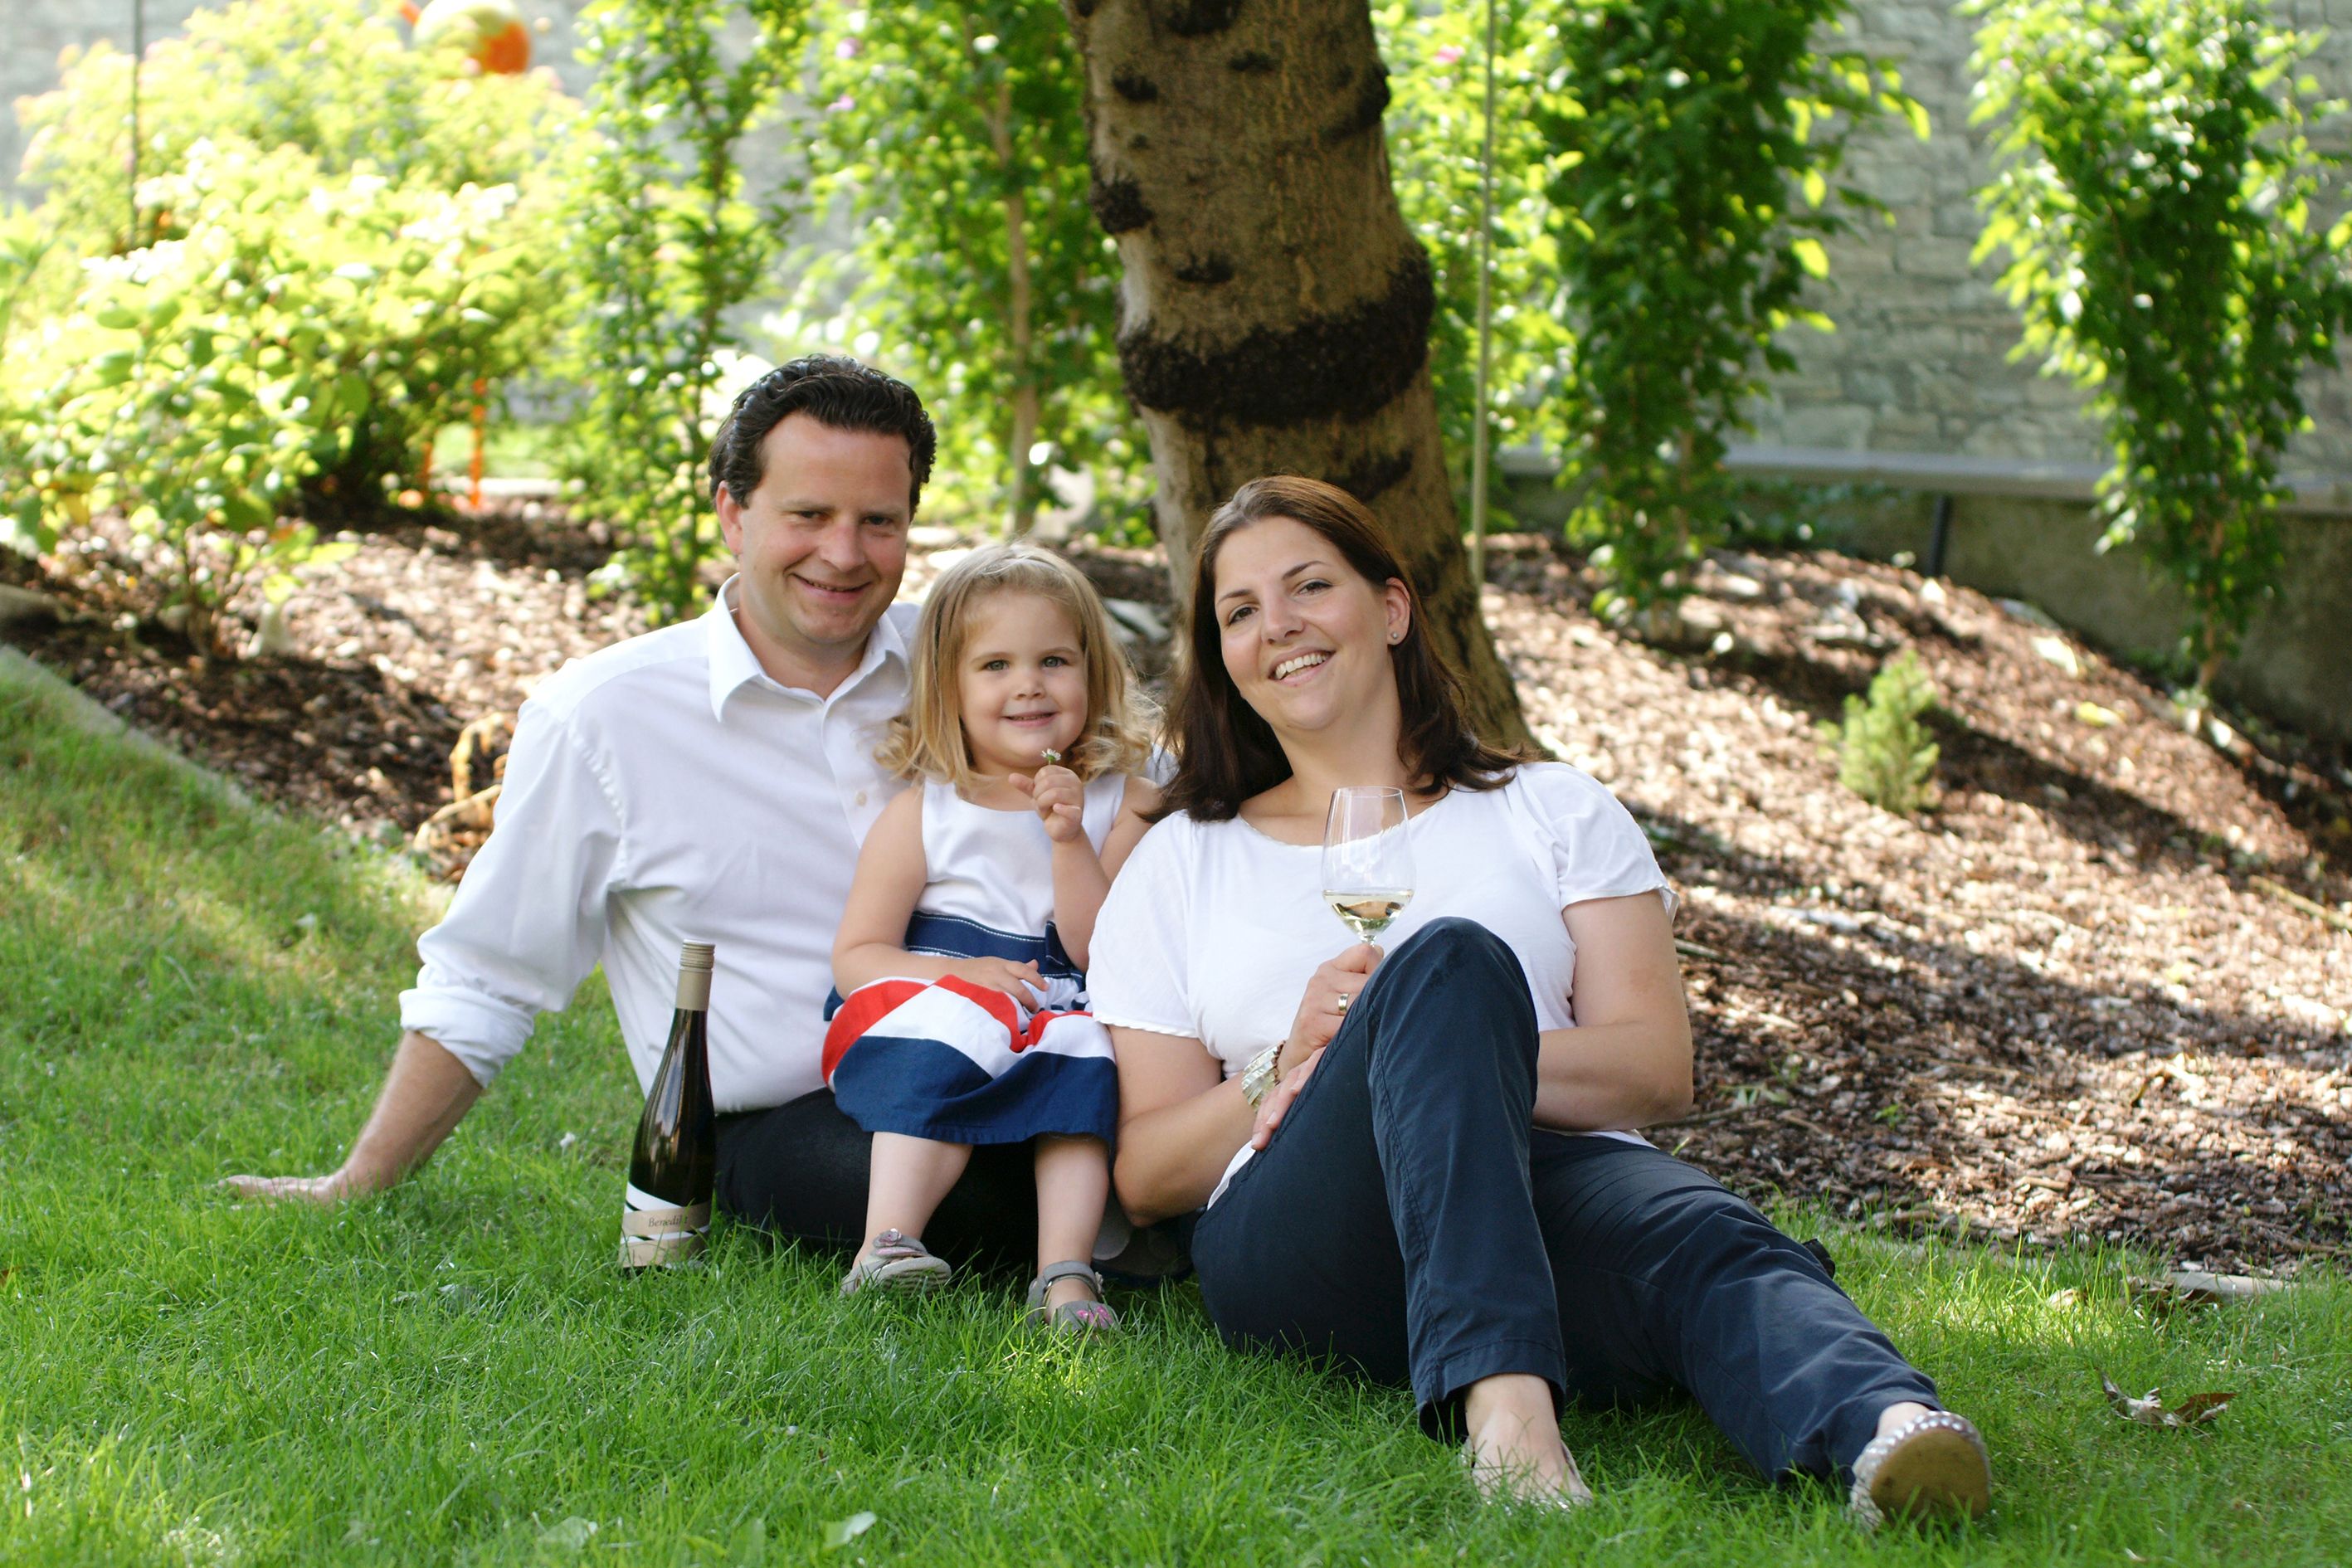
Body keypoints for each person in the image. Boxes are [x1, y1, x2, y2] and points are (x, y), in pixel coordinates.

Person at [1084, 475, 1993, 1524]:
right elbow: (1147, 1176)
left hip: (1548, 1182)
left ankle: (1885, 1430)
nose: (1276, 625)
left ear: (1391, 608)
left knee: (1704, 1237)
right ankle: (1511, 1416)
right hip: (1309, 1237)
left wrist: (1437, 1053)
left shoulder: (1552, 810)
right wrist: (1299, 1065)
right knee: (1447, 962)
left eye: (1306, 587)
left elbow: (1655, 1068)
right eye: (1238, 613)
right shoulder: (1180, 864)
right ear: (1226, 660)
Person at [223, 356, 1123, 1272]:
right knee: (1003, 1178)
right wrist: (360, 1180)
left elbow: (1148, 774)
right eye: (808, 515)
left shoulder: (975, 661)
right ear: (733, 513)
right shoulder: (604, 718)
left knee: (1097, 1106)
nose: (844, 555)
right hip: (796, 1122)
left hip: (1025, 1038)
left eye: (878, 523)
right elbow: (491, 973)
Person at [824, 544, 1161, 1329]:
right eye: (995, 665)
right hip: (934, 1009)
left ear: (1093, 673)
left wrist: (1070, 840)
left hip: (1061, 1005)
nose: (1028, 685)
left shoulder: (1126, 804)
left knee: (1090, 1049)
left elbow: (1096, 954)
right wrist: (954, 977)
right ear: (948, 687)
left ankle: (1065, 1275)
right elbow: (856, 956)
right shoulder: (924, 812)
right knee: (958, 1021)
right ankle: (886, 1244)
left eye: (1053, 660)